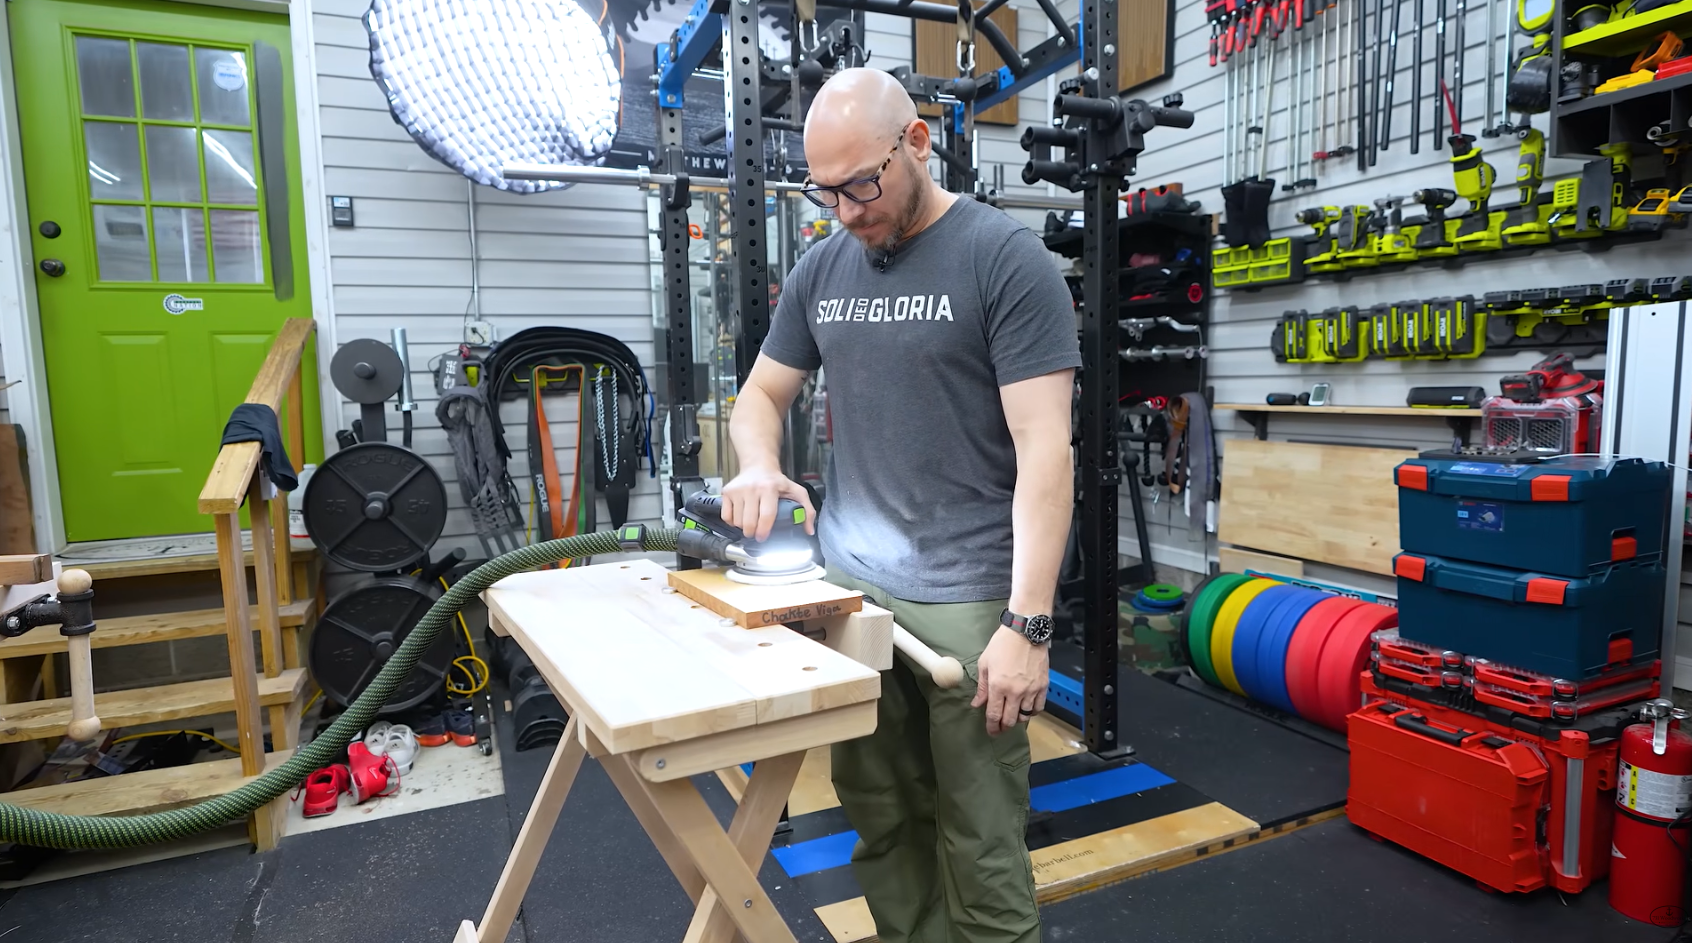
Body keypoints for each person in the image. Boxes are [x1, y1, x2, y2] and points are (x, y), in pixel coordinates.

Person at [719, 67, 1079, 943]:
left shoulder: (1004, 260)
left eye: (861, 186)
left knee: (980, 839)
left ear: (917, 142)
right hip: (854, 589)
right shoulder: (824, 267)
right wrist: (759, 465)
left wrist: (1028, 625)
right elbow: (758, 398)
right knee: (880, 816)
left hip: (968, 604)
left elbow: (1047, 453)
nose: (845, 210)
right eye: (826, 192)